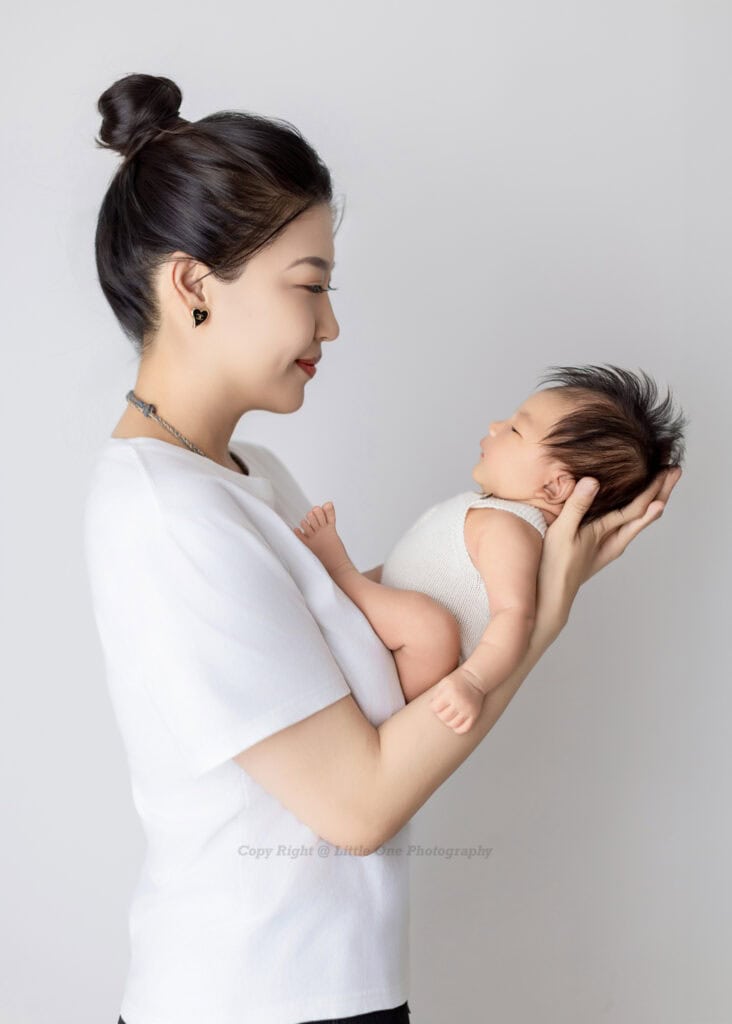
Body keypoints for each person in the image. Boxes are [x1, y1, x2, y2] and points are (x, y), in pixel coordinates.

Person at [82, 72, 682, 1024]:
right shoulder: (167, 513)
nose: (330, 324)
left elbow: (389, 736)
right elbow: (357, 806)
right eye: (309, 286)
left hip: (332, 989)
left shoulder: (252, 476)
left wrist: (536, 593)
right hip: (248, 1002)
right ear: (193, 283)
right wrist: (541, 622)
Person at [293, 365, 687, 734]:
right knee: (401, 592)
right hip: (375, 651)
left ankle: (339, 573)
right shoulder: (487, 511)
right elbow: (411, 570)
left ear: (553, 487)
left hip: (401, 674)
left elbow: (515, 615)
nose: (495, 426)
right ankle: (337, 588)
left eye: (515, 430)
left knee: (429, 626)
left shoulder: (510, 530)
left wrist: (473, 681)